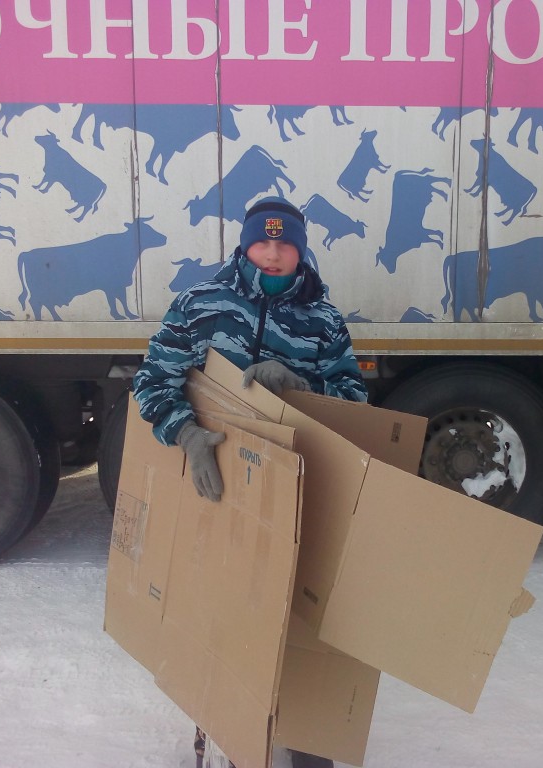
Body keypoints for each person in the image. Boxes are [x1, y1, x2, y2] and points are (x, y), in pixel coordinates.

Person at [132, 196, 367, 767]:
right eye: (262, 242)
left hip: (297, 491)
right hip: (217, 487)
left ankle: (308, 739)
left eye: (285, 244)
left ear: (301, 251)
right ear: (244, 245)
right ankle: (238, 735)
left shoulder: (323, 320)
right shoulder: (200, 305)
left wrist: (300, 386)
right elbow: (152, 382)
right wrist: (186, 434)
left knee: (299, 621)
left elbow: (355, 401)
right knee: (230, 612)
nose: (272, 253)